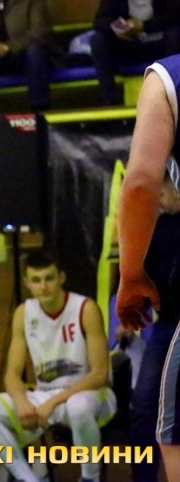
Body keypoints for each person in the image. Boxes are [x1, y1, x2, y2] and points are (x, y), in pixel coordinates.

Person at [0, 252, 116, 482]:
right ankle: (28, 478)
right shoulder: (23, 313)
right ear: (26, 283)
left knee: (77, 406)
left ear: (62, 277)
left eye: (49, 278)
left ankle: (90, 478)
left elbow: (100, 374)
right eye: (36, 280)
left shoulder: (85, 308)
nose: (44, 286)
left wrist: (53, 402)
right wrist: (22, 402)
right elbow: (12, 374)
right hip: (46, 395)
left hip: (92, 395)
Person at [116, 54, 180, 482]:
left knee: (173, 435)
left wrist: (130, 276)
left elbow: (139, 182)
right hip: (167, 314)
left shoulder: (167, 78)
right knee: (146, 408)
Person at [124, 174, 180, 482]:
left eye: (163, 190)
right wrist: (135, 313)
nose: (158, 197)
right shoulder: (160, 228)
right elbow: (148, 278)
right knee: (145, 404)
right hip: (166, 327)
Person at [89, 0, 180, 106]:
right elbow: (100, 20)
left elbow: (176, 16)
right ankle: (109, 101)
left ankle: (174, 97)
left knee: (176, 34)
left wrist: (144, 26)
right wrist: (117, 27)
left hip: (161, 42)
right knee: (98, 40)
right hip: (130, 43)